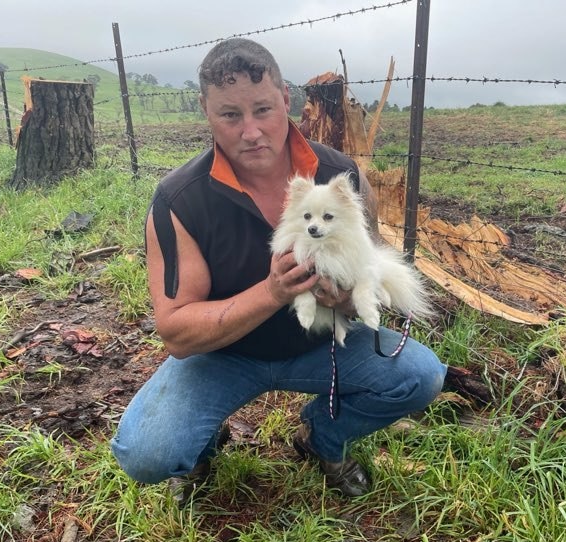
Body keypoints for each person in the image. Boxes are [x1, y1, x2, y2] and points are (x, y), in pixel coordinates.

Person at [110, 38, 446, 501]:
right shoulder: (180, 200)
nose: (251, 131)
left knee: (421, 375)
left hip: (320, 344)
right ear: (206, 111)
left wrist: (344, 298)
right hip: (222, 355)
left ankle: (321, 439)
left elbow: (372, 270)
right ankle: (200, 447)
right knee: (147, 452)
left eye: (263, 109)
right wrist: (272, 292)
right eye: (230, 114)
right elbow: (176, 332)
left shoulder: (338, 175)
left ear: (287, 101)